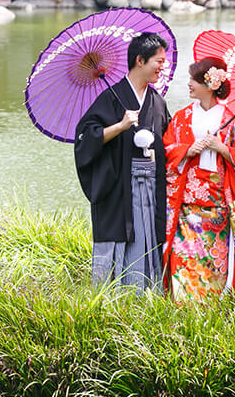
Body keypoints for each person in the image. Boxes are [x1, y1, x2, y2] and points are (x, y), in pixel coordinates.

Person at [74, 32, 169, 289]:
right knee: (122, 236)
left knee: (150, 236)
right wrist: (120, 125)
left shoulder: (157, 102)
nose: (162, 66)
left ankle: (147, 292)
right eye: (158, 61)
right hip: (119, 186)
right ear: (140, 60)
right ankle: (113, 294)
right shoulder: (110, 98)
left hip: (151, 188)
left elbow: (168, 145)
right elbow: (85, 139)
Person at [161, 57, 235, 300]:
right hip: (185, 207)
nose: (189, 83)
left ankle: (209, 316)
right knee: (182, 265)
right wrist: (186, 151)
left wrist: (222, 148)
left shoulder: (232, 121)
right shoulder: (182, 117)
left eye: (194, 79)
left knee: (215, 268)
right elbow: (166, 150)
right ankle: (182, 315)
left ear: (212, 84)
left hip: (219, 210)